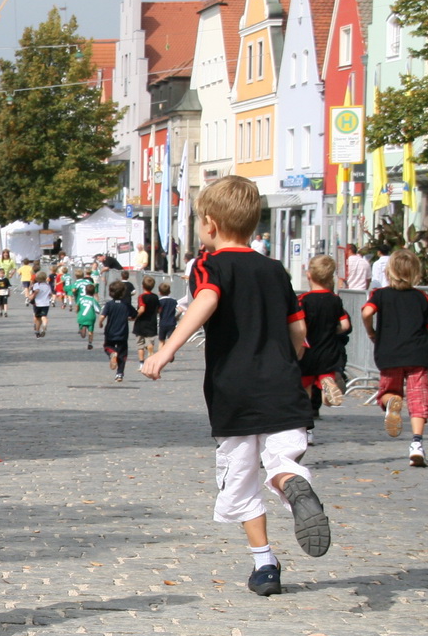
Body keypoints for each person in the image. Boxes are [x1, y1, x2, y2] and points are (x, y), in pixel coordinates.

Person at [142, 175, 331, 597]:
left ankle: (265, 564)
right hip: (282, 386)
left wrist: (166, 350)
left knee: (241, 479)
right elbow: (298, 331)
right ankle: (291, 484)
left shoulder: (210, 264)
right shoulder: (275, 270)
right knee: (281, 462)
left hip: (234, 388)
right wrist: (289, 361)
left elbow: (207, 300)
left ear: (209, 224)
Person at [362, 248, 428, 467]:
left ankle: (392, 404)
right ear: (416, 273)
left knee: (388, 392)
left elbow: (367, 312)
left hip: (389, 353)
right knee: (418, 399)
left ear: (389, 271)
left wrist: (371, 331)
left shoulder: (380, 295)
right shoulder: (421, 297)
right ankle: (417, 443)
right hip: (417, 355)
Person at [297, 254, 352, 425]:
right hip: (329, 351)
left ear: (309, 275)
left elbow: (299, 326)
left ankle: (307, 422)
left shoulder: (303, 300)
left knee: (305, 388)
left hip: (308, 352)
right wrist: (331, 329)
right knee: (325, 382)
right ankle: (328, 388)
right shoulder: (335, 300)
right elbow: (345, 325)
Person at [101, 281, 132, 381]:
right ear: (123, 292)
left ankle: (112, 353)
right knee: (122, 353)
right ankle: (119, 373)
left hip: (110, 331)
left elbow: (102, 316)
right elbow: (134, 315)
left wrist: (100, 323)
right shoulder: (126, 304)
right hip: (123, 332)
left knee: (107, 346)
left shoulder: (109, 304)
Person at [133, 275, 161, 361]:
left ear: (142, 286)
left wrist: (135, 316)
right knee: (150, 341)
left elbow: (142, 309)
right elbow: (159, 309)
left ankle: (142, 362)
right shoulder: (155, 297)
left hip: (141, 323)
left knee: (140, 345)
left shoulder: (141, 297)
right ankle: (150, 348)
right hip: (152, 322)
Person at [75, 281, 100, 349]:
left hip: (82, 316)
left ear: (85, 291)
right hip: (90, 317)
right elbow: (98, 310)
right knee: (91, 331)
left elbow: (77, 306)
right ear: (93, 292)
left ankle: (81, 328)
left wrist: (77, 311)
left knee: (81, 320)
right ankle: (90, 343)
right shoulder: (93, 300)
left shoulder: (81, 299)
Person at [29, 270, 53, 338]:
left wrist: (31, 297)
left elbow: (35, 292)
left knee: (38, 318)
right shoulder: (48, 285)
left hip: (38, 303)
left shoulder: (36, 285)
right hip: (46, 303)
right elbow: (50, 294)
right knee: (44, 316)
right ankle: (44, 325)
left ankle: (37, 331)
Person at [157, 281, 179, 350]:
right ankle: (170, 353)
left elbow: (158, 311)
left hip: (163, 323)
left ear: (159, 292)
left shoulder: (159, 302)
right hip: (172, 323)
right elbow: (180, 309)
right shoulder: (173, 301)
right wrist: (176, 317)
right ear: (169, 292)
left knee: (161, 341)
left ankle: (160, 354)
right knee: (170, 340)